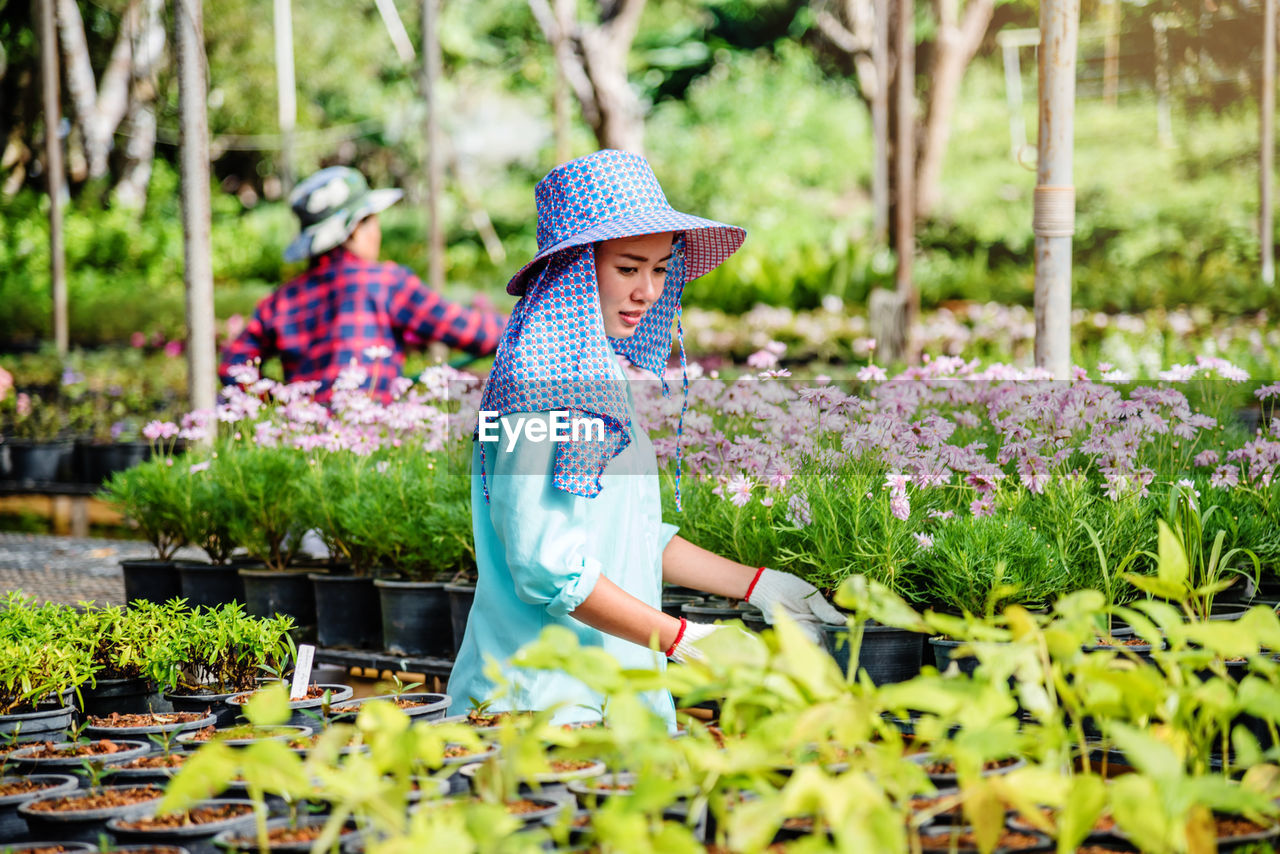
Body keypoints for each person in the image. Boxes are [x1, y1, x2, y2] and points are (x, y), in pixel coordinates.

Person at [446, 150, 843, 727]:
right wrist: (680, 636)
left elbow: (626, 537)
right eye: (628, 268)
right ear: (574, 269)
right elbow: (544, 565)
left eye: (660, 269)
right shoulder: (540, 385)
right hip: (539, 709)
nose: (649, 291)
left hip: (614, 702)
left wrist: (758, 585)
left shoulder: (598, 377)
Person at [218, 166, 505, 401]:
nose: (377, 231)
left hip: (306, 445)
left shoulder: (282, 299)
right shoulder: (386, 282)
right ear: (354, 229)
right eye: (372, 221)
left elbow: (232, 365)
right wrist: (532, 324)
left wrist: (285, 401)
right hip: (371, 444)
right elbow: (469, 330)